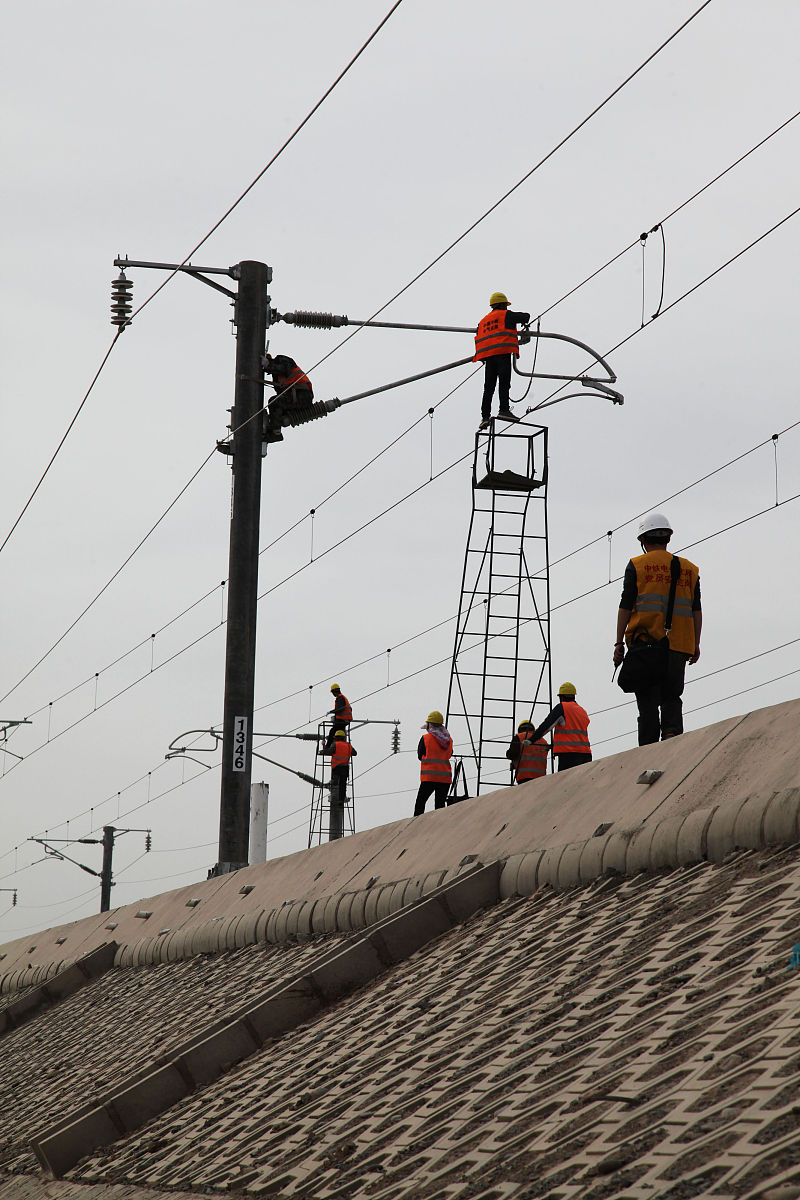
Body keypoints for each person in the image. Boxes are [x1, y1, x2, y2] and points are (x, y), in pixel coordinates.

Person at [613, 512, 701, 745]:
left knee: (647, 701)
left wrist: (619, 642)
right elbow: (696, 610)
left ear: (643, 540)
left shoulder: (637, 565)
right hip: (679, 645)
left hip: (647, 644)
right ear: (668, 538)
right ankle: (672, 736)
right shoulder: (690, 569)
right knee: (672, 695)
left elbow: (625, 605)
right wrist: (696, 644)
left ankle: (649, 748)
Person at [473, 292, 531, 429]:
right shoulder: (506, 315)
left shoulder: (483, 322)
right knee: (504, 383)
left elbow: (479, 334)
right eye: (505, 305)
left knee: (488, 388)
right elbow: (526, 316)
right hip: (502, 353)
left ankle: (485, 417)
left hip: (489, 357)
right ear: (502, 304)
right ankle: (504, 410)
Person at [527, 683, 592, 771]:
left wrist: (531, 739)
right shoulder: (582, 711)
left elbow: (547, 726)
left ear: (561, 697)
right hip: (586, 755)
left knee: (567, 779)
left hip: (569, 756)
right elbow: (574, 733)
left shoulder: (562, 708)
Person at [413, 710, 453, 815]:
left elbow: (420, 756)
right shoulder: (449, 740)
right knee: (440, 806)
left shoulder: (426, 738)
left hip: (429, 777)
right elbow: (449, 754)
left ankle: (417, 824)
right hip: (445, 778)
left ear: (430, 725)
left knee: (420, 803)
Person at [324, 729, 356, 840]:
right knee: (343, 786)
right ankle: (341, 800)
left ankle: (333, 786)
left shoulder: (335, 744)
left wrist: (322, 751)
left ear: (337, 738)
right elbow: (355, 753)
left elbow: (330, 751)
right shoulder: (348, 745)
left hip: (336, 768)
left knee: (335, 782)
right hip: (345, 768)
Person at [325, 683, 352, 752]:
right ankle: (340, 747)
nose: (332, 694)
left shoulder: (340, 698)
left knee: (332, 731)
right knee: (340, 734)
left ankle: (327, 747)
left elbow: (340, 709)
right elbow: (349, 709)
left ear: (334, 691)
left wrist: (331, 711)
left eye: (332, 692)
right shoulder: (342, 697)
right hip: (345, 720)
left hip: (342, 720)